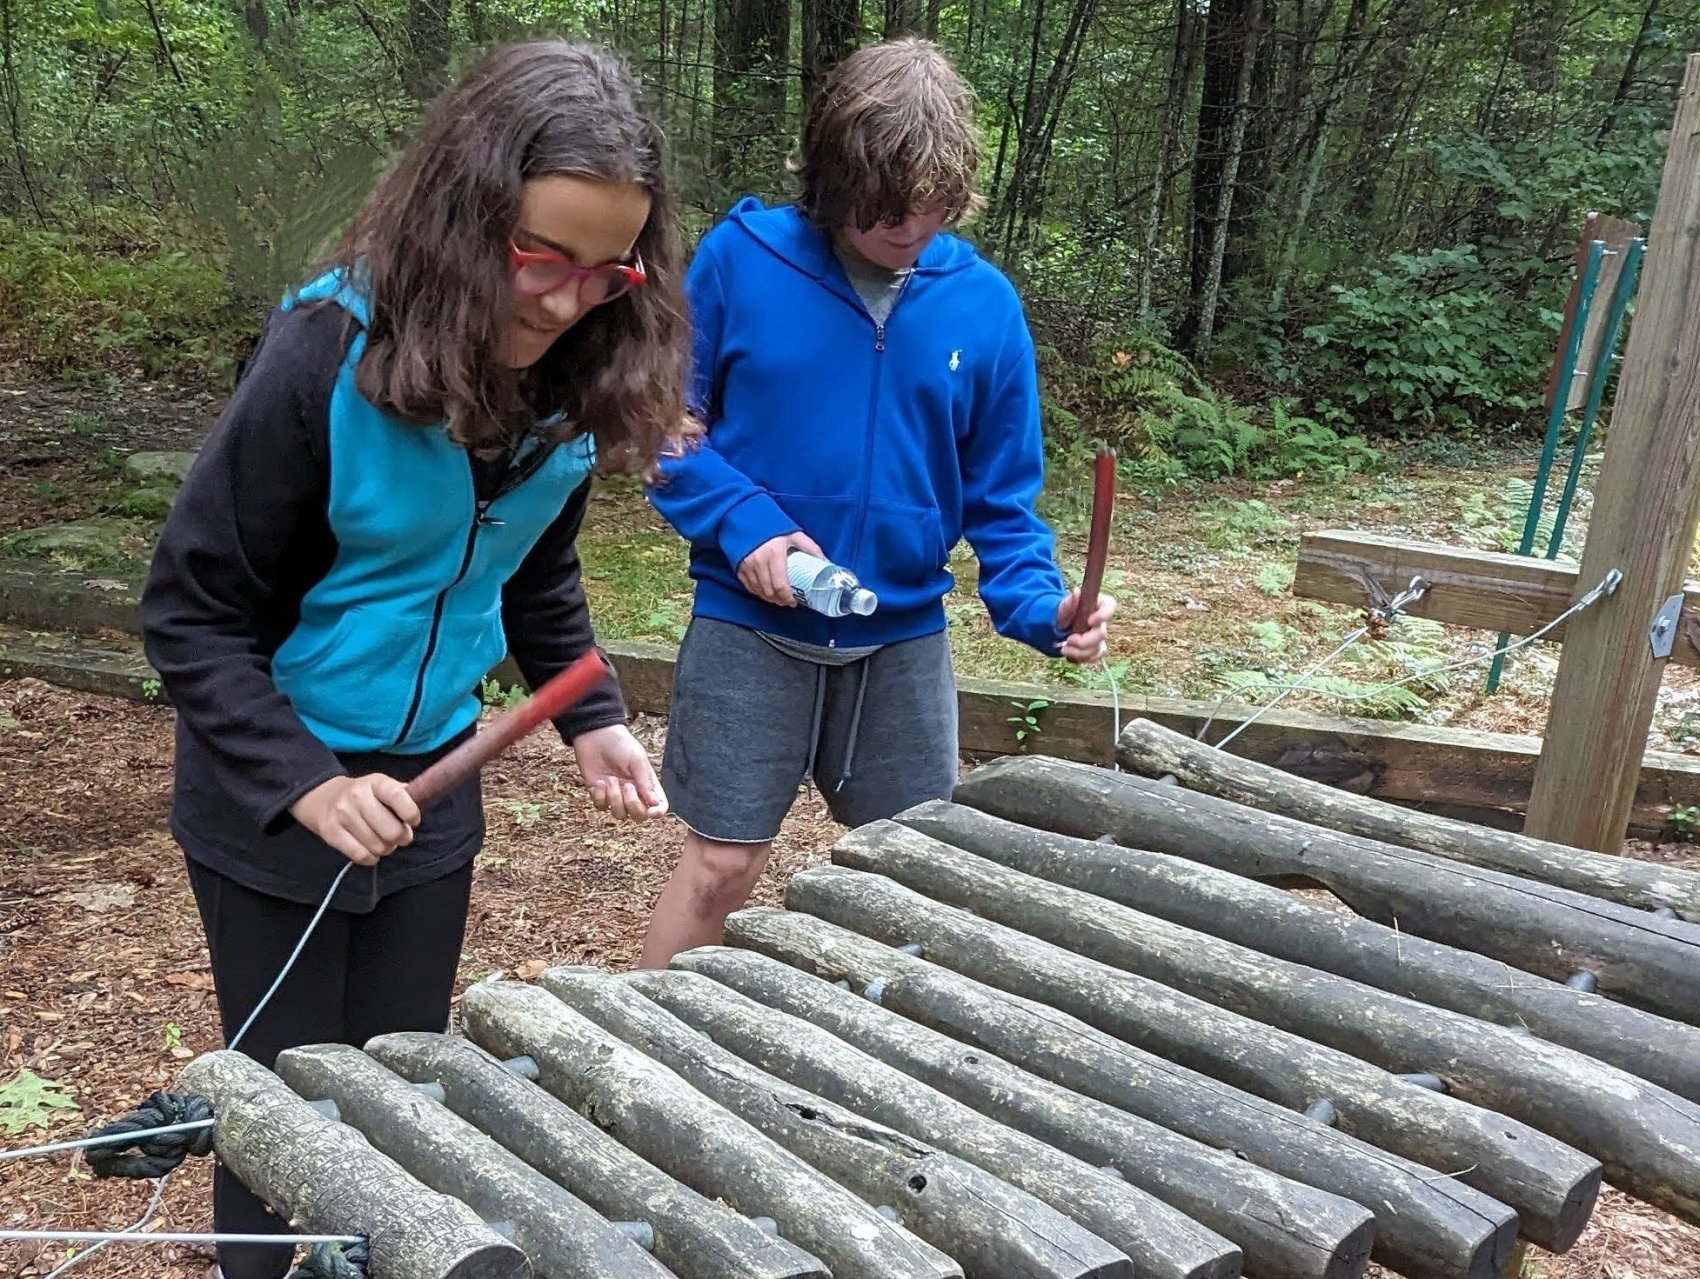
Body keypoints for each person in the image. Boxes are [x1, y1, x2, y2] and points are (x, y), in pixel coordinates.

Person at [140, 41, 688, 1279]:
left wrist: (592, 710)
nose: (561, 302)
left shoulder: (575, 367)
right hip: (274, 799)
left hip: (435, 794)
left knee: (394, 1087)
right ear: (463, 215)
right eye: (538, 257)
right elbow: (190, 609)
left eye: (607, 274)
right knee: (282, 1103)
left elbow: (531, 565)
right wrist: (310, 781)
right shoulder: (325, 354)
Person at [641, 37, 1116, 968]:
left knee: (914, 875)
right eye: (883, 210)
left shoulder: (982, 305)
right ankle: (633, 1059)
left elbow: (1005, 503)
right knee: (724, 863)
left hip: (901, 639)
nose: (906, 228)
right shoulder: (740, 262)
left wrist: (1041, 606)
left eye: (930, 209)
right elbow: (661, 432)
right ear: (828, 177)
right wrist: (746, 526)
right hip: (751, 624)